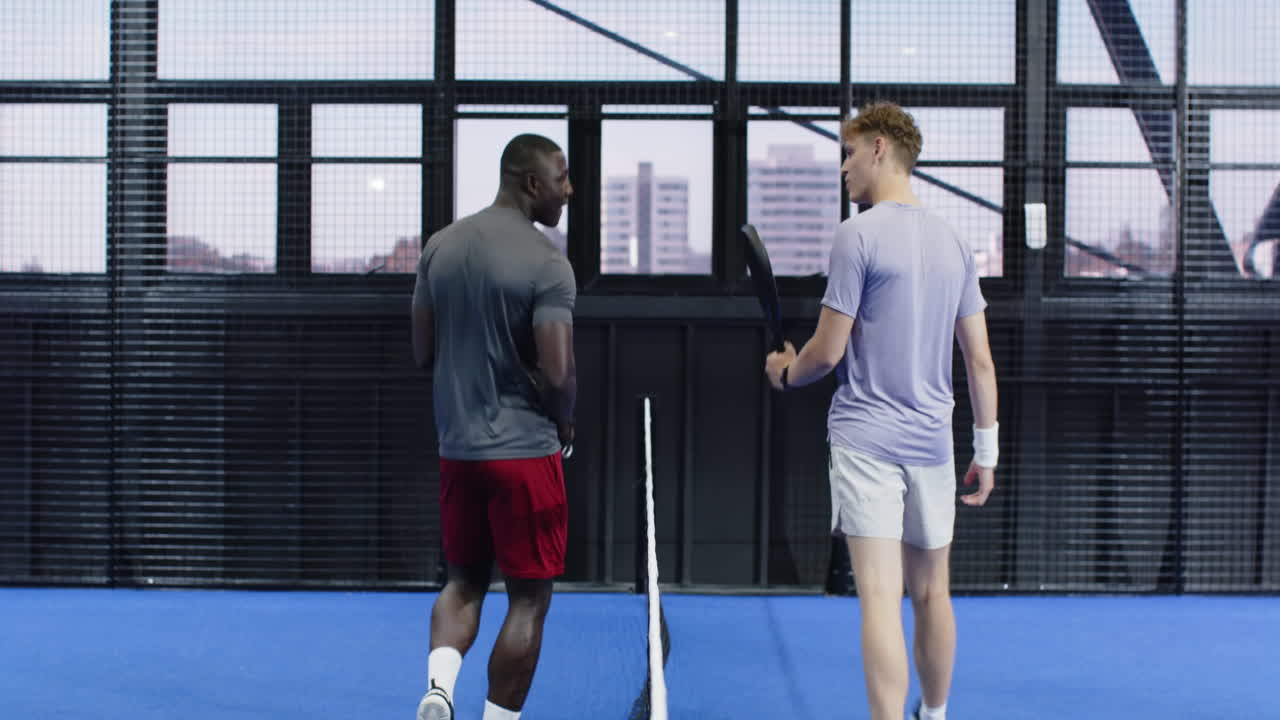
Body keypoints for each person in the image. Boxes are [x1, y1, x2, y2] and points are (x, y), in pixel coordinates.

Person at [764, 101, 999, 720]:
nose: (843, 167)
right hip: (934, 447)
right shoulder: (955, 241)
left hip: (866, 442)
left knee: (878, 596)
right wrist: (987, 453)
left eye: (849, 152)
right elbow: (979, 361)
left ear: (878, 147)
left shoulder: (857, 234)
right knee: (932, 592)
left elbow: (825, 353)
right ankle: (935, 714)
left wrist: (785, 373)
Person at [411, 133, 577, 720]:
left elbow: (422, 351)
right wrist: (565, 423)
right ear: (532, 183)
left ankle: (438, 690)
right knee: (528, 598)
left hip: (458, 451)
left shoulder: (440, 247)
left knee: (463, 581)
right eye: (562, 177)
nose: (569, 190)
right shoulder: (548, 263)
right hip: (525, 454)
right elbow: (558, 373)